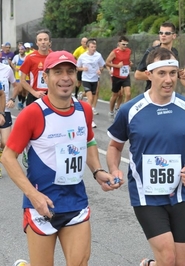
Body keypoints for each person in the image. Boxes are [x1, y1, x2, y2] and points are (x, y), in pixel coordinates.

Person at [2, 50, 123, 266]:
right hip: (42, 204)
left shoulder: (83, 110)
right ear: (46, 78)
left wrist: (97, 171)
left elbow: (88, 141)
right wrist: (34, 195)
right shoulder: (33, 113)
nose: (65, 77)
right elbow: (8, 157)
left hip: (75, 201)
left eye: (70, 71)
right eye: (58, 72)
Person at [106, 47, 185, 266]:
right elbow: (114, 146)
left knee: (180, 262)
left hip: (178, 193)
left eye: (172, 73)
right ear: (149, 75)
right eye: (162, 73)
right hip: (145, 194)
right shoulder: (130, 110)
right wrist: (114, 169)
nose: (168, 79)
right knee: (168, 257)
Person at [135, 22, 182, 92]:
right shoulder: (151, 52)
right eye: (161, 33)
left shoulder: (175, 52)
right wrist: (158, 76)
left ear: (174, 36)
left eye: (167, 33)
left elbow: (175, 71)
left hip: (169, 93)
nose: (163, 35)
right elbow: (138, 75)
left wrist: (180, 74)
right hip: (153, 94)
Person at [77, 39, 105, 128]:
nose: (94, 48)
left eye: (95, 47)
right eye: (92, 47)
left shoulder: (98, 55)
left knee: (92, 98)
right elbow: (77, 68)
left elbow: (102, 66)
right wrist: (83, 69)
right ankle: (90, 120)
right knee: (90, 98)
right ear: (88, 47)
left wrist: (100, 70)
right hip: (86, 79)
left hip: (94, 79)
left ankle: (85, 108)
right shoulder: (82, 56)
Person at [19, 29, 52, 106]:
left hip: (52, 95)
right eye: (40, 40)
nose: (43, 42)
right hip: (35, 95)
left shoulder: (54, 57)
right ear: (36, 43)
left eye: (45, 39)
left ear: (49, 42)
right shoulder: (30, 58)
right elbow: (22, 80)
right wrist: (34, 92)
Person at [105, 35, 132, 116]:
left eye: (126, 44)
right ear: (119, 43)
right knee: (115, 95)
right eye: (123, 44)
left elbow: (127, 60)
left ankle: (123, 110)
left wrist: (130, 64)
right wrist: (117, 66)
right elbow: (107, 62)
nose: (125, 46)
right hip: (116, 76)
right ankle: (111, 110)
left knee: (128, 94)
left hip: (125, 75)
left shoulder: (128, 51)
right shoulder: (114, 52)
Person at [11, 45, 29, 110]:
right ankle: (19, 102)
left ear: (24, 50)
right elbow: (12, 63)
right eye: (20, 50)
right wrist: (15, 68)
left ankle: (22, 102)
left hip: (26, 77)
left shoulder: (27, 57)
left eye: (22, 49)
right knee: (19, 90)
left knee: (24, 92)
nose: (20, 51)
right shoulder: (16, 57)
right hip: (18, 77)